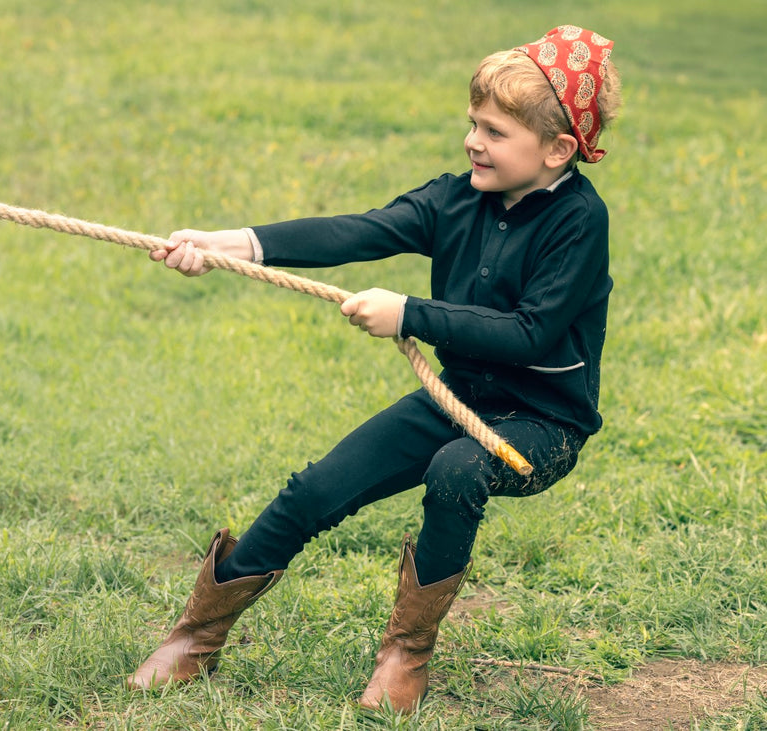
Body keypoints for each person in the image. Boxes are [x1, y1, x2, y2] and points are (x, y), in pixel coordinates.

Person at [127, 25, 621, 713]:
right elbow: (360, 230)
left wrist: (411, 312)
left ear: (557, 150)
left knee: (457, 469)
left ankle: (405, 655)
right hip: (454, 398)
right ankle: (197, 635)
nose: (473, 141)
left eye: (495, 132)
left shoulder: (579, 221)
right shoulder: (456, 198)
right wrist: (230, 243)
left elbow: (529, 332)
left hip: (541, 425)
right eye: (473, 123)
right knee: (317, 488)